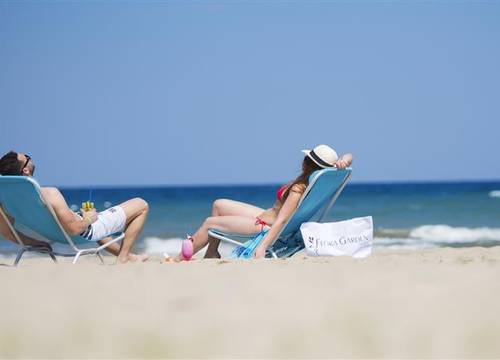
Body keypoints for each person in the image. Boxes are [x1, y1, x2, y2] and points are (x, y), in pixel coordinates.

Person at [166, 144, 353, 261]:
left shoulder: (298, 189)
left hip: (264, 226)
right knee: (219, 204)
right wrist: (344, 160)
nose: (302, 160)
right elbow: (350, 155)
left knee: (209, 224)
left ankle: (179, 258)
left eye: (306, 158)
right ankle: (212, 252)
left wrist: (263, 247)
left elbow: (281, 221)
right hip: (264, 215)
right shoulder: (314, 182)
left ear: (308, 163)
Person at [0, 151, 149, 263]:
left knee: (101, 231)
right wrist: (89, 218)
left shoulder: (5, 200)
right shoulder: (49, 194)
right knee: (141, 204)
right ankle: (123, 258)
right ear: (25, 170)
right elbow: (74, 229)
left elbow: (8, 233)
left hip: (58, 236)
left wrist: (37, 243)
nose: (30, 158)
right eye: (27, 157)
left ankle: (130, 257)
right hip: (84, 232)